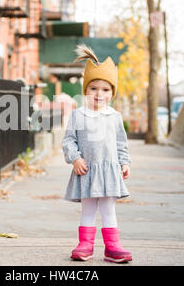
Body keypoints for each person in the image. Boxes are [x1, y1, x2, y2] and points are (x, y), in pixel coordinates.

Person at [62, 44, 132, 263]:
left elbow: (121, 143)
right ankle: (85, 245)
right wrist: (75, 158)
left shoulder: (115, 117)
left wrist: (124, 162)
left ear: (112, 93)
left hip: (109, 170)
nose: (99, 94)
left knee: (109, 209)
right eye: (93, 88)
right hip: (87, 171)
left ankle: (113, 247)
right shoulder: (78, 115)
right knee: (89, 209)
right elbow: (68, 140)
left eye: (105, 90)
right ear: (86, 90)